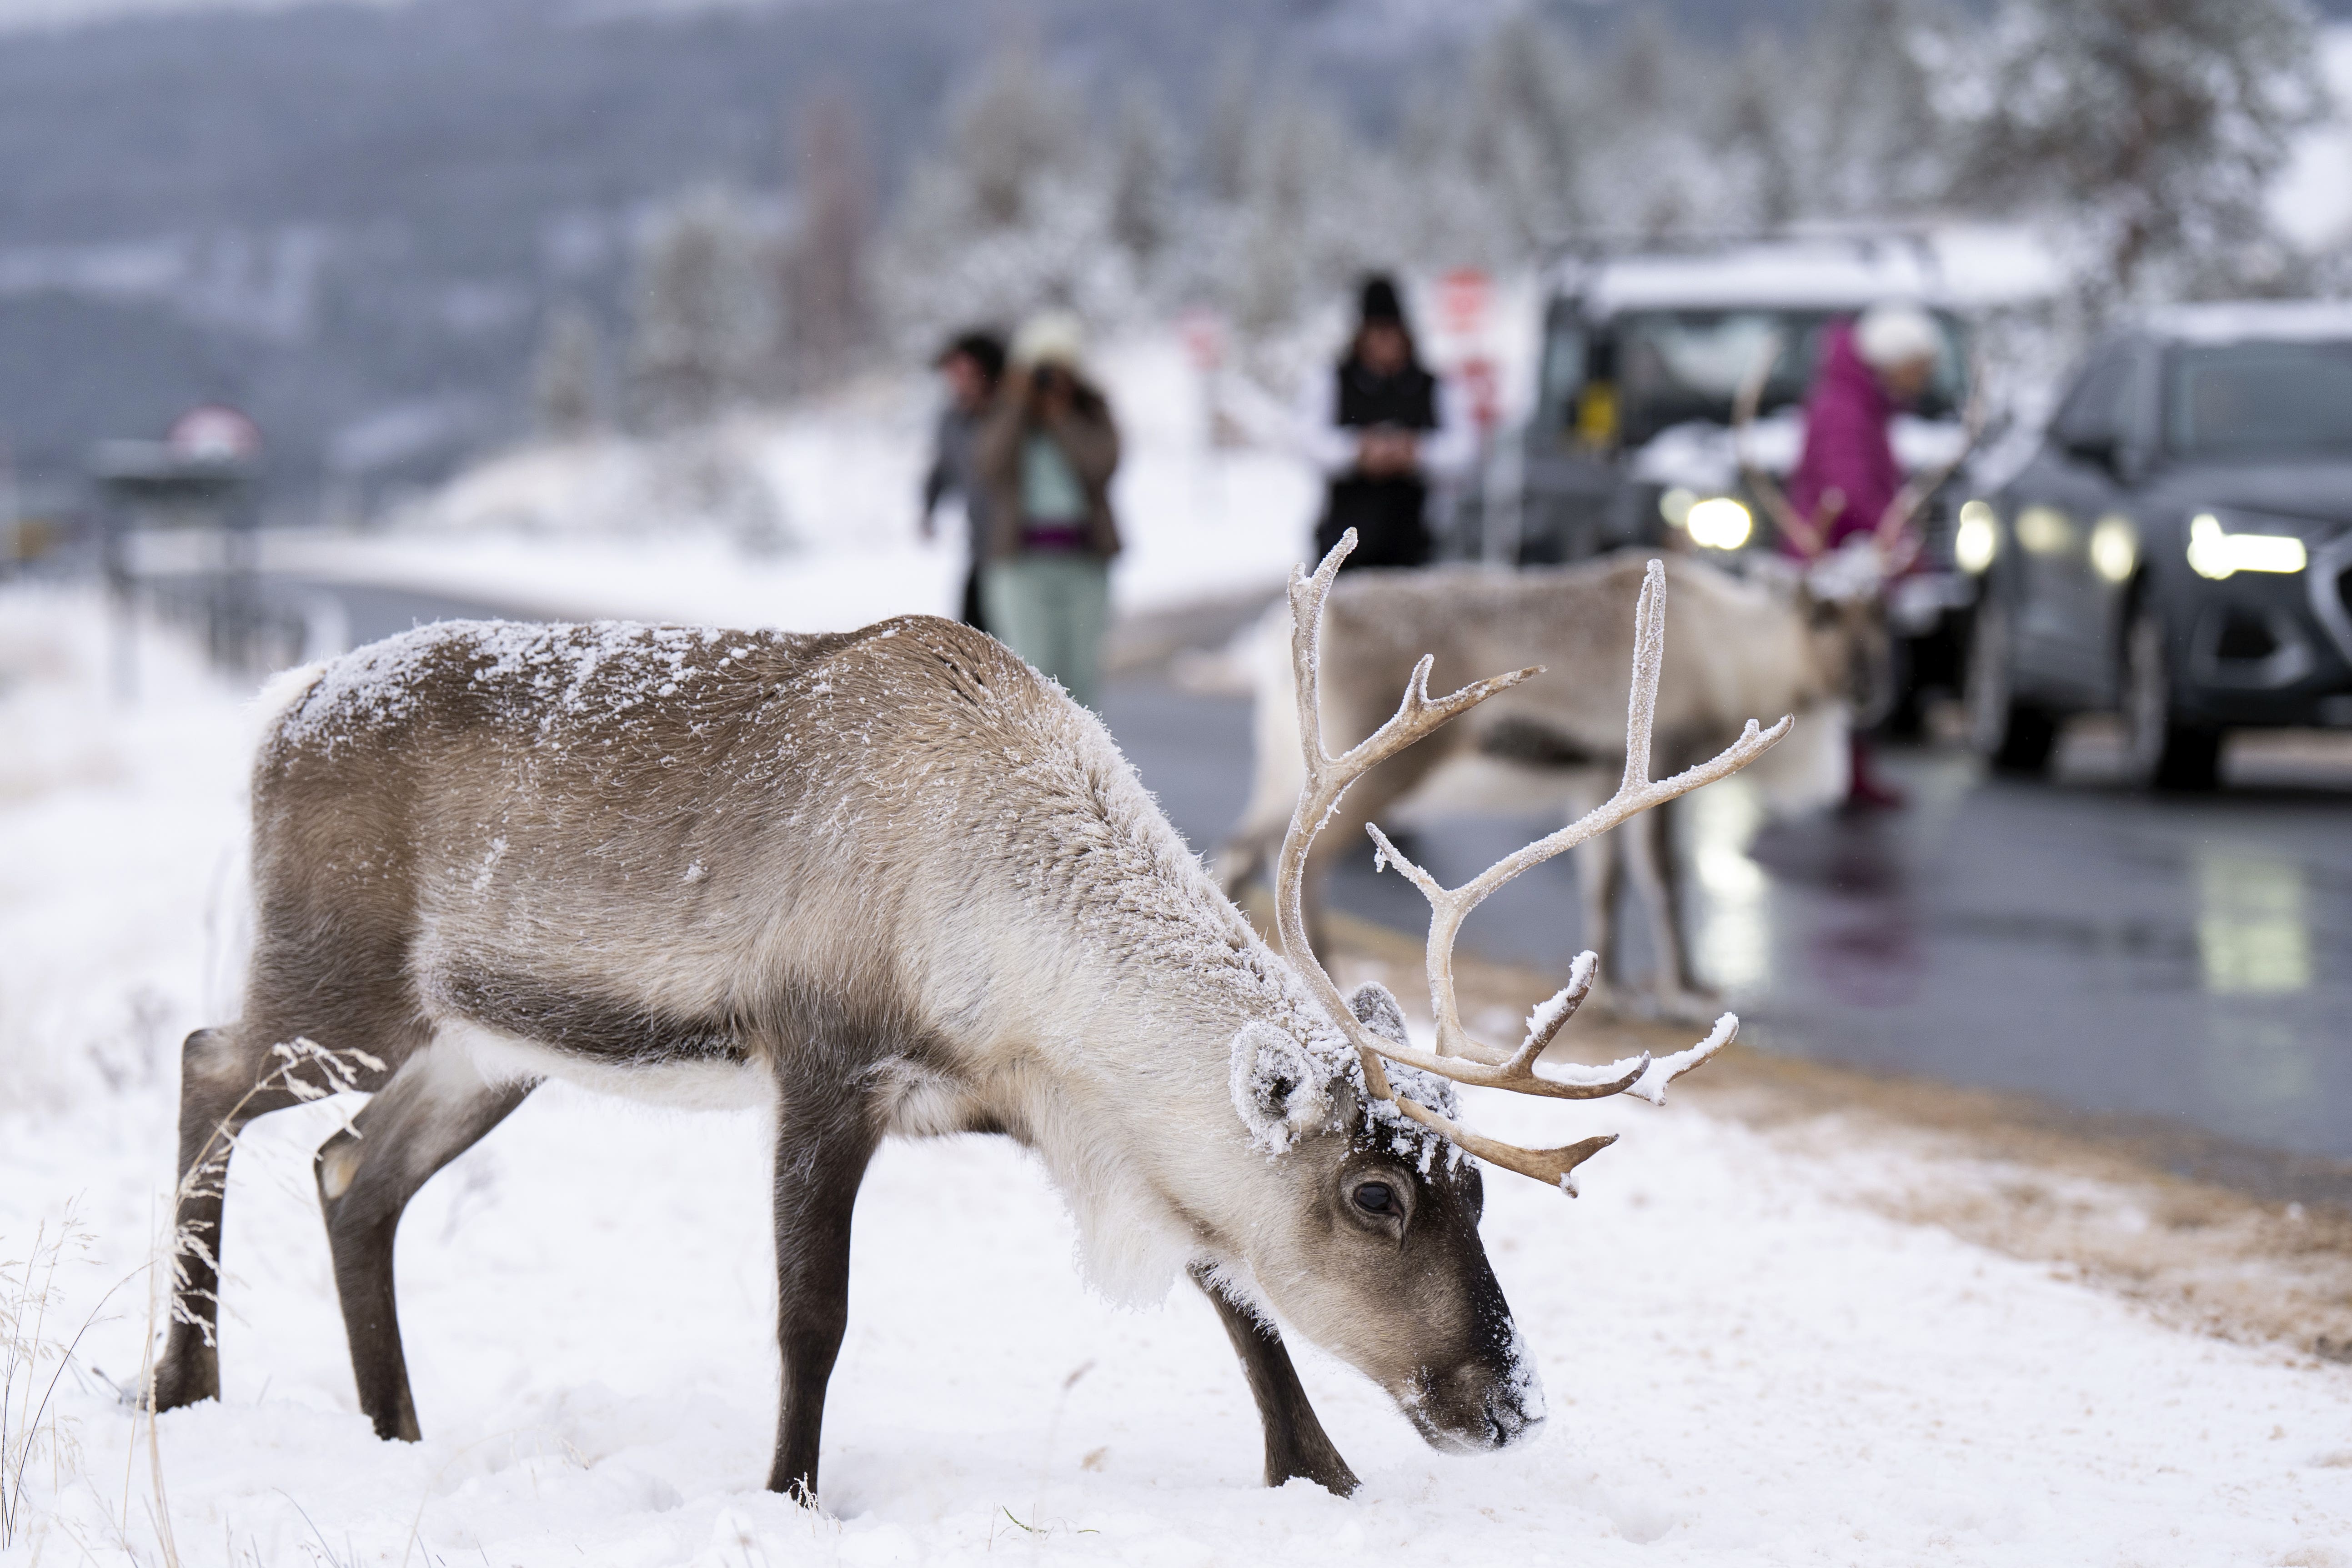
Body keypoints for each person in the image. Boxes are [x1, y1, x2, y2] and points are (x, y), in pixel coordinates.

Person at [1784, 301, 1945, 810]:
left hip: (1847, 554)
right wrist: (1892, 540)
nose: (1922, 381)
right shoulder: (1846, 409)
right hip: (1841, 560)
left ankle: (1846, 772)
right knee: (1850, 667)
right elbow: (1847, 489)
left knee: (1850, 669)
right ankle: (1841, 774)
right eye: (1917, 368)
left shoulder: (1859, 403)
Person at [976, 311, 1121, 710]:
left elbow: (1101, 467)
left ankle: (1082, 769)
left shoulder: (1090, 410)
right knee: (1032, 677)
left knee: (1081, 681)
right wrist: (1019, 403)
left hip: (1084, 561)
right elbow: (989, 466)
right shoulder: (1004, 411)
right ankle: (1039, 770)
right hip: (1021, 564)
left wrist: (1061, 415)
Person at [1302, 274, 1474, 569]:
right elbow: (1306, 440)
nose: (1383, 342)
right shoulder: (1331, 380)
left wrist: (1414, 452)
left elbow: (1464, 448)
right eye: (1376, 332)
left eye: (1390, 332)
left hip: (1412, 542)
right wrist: (1359, 451)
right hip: (1343, 545)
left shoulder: (1433, 385)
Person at [920, 329, 1007, 631]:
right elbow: (942, 470)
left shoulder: (1011, 416)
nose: (956, 380)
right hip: (982, 544)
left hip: (1020, 547)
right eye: (951, 373)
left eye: (964, 371)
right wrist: (929, 509)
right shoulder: (953, 420)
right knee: (972, 634)